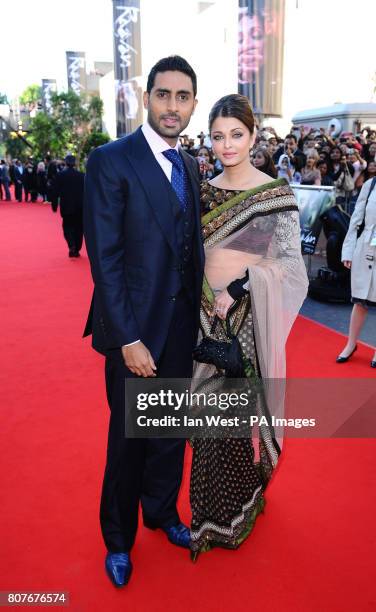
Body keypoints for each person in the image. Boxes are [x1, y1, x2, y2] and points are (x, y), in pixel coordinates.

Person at [83, 56, 204, 587]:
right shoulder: (111, 160)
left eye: (183, 97)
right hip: (134, 332)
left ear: (193, 104)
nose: (172, 106)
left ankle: (161, 511)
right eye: (163, 95)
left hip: (181, 327)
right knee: (128, 440)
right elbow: (104, 257)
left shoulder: (191, 165)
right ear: (146, 98)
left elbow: (190, 247)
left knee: (170, 433)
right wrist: (128, 337)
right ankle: (118, 540)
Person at [190, 94, 308, 559]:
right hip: (200, 316)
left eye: (236, 134)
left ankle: (237, 506)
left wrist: (241, 288)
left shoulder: (274, 194)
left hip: (243, 319)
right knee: (203, 422)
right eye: (218, 136)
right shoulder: (201, 190)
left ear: (254, 135)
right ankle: (208, 516)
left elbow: (291, 267)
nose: (226, 145)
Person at [337, 177, 376, 367]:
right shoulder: (371, 185)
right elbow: (356, 220)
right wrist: (348, 251)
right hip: (365, 250)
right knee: (359, 301)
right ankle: (351, 344)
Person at [51, 154, 85, 257]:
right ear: (75, 163)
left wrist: (54, 205)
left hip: (67, 207)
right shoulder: (82, 176)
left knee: (67, 227)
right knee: (79, 228)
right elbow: (87, 192)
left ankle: (71, 245)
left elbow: (55, 191)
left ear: (65, 163)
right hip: (80, 207)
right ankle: (77, 248)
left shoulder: (60, 175)